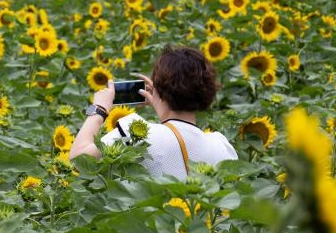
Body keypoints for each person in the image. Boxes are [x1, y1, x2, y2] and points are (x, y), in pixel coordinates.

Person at [69, 45, 237, 179]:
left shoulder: (135, 132)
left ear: (158, 89)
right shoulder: (222, 147)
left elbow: (78, 161)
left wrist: (99, 110)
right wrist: (161, 101)